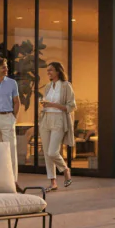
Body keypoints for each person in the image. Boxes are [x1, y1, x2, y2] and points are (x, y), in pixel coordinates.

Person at [39, 61, 76, 190]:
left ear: (58, 71)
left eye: (50, 70)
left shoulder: (66, 86)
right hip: (46, 119)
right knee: (46, 153)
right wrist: (45, 105)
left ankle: (65, 169)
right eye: (47, 70)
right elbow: (46, 103)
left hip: (59, 120)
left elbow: (71, 106)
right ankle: (53, 182)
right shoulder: (48, 86)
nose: (48, 72)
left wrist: (52, 105)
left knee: (52, 152)